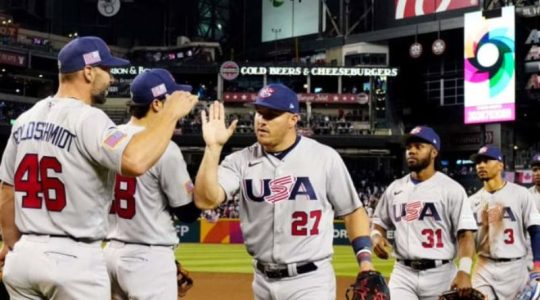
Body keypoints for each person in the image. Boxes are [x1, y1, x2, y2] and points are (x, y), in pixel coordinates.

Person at [0, 36, 198, 299]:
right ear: (89, 71)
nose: (112, 79)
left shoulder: (26, 119)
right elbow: (134, 162)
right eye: (107, 70)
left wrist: (16, 246)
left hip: (23, 259)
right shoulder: (89, 119)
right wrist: (171, 115)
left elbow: (7, 190)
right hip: (74, 259)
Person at [194, 83, 375, 300]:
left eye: (271, 115)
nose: (261, 120)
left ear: (293, 119)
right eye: (259, 113)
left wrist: (365, 261)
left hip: (310, 281)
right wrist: (212, 149)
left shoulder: (324, 158)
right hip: (262, 281)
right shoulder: (240, 161)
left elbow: (352, 211)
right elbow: (206, 200)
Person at [104, 69, 200, 300]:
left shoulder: (109, 137)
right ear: (157, 104)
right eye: (173, 99)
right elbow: (187, 212)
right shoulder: (165, 148)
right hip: (149, 261)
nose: (179, 104)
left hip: (108, 255)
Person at [371, 126, 477, 299]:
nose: (411, 151)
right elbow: (378, 222)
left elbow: (465, 235)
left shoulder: (451, 189)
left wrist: (464, 271)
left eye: (419, 147)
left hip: (441, 273)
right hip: (403, 273)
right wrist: (376, 236)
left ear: (434, 152)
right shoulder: (395, 188)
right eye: (409, 147)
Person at [468, 145, 540, 299]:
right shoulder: (471, 201)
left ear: (501, 165)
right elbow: (465, 239)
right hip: (483, 266)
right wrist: (463, 269)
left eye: (486, 161)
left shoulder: (520, 194)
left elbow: (535, 230)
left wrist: (538, 265)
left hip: (515, 267)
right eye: (478, 162)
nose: (480, 165)